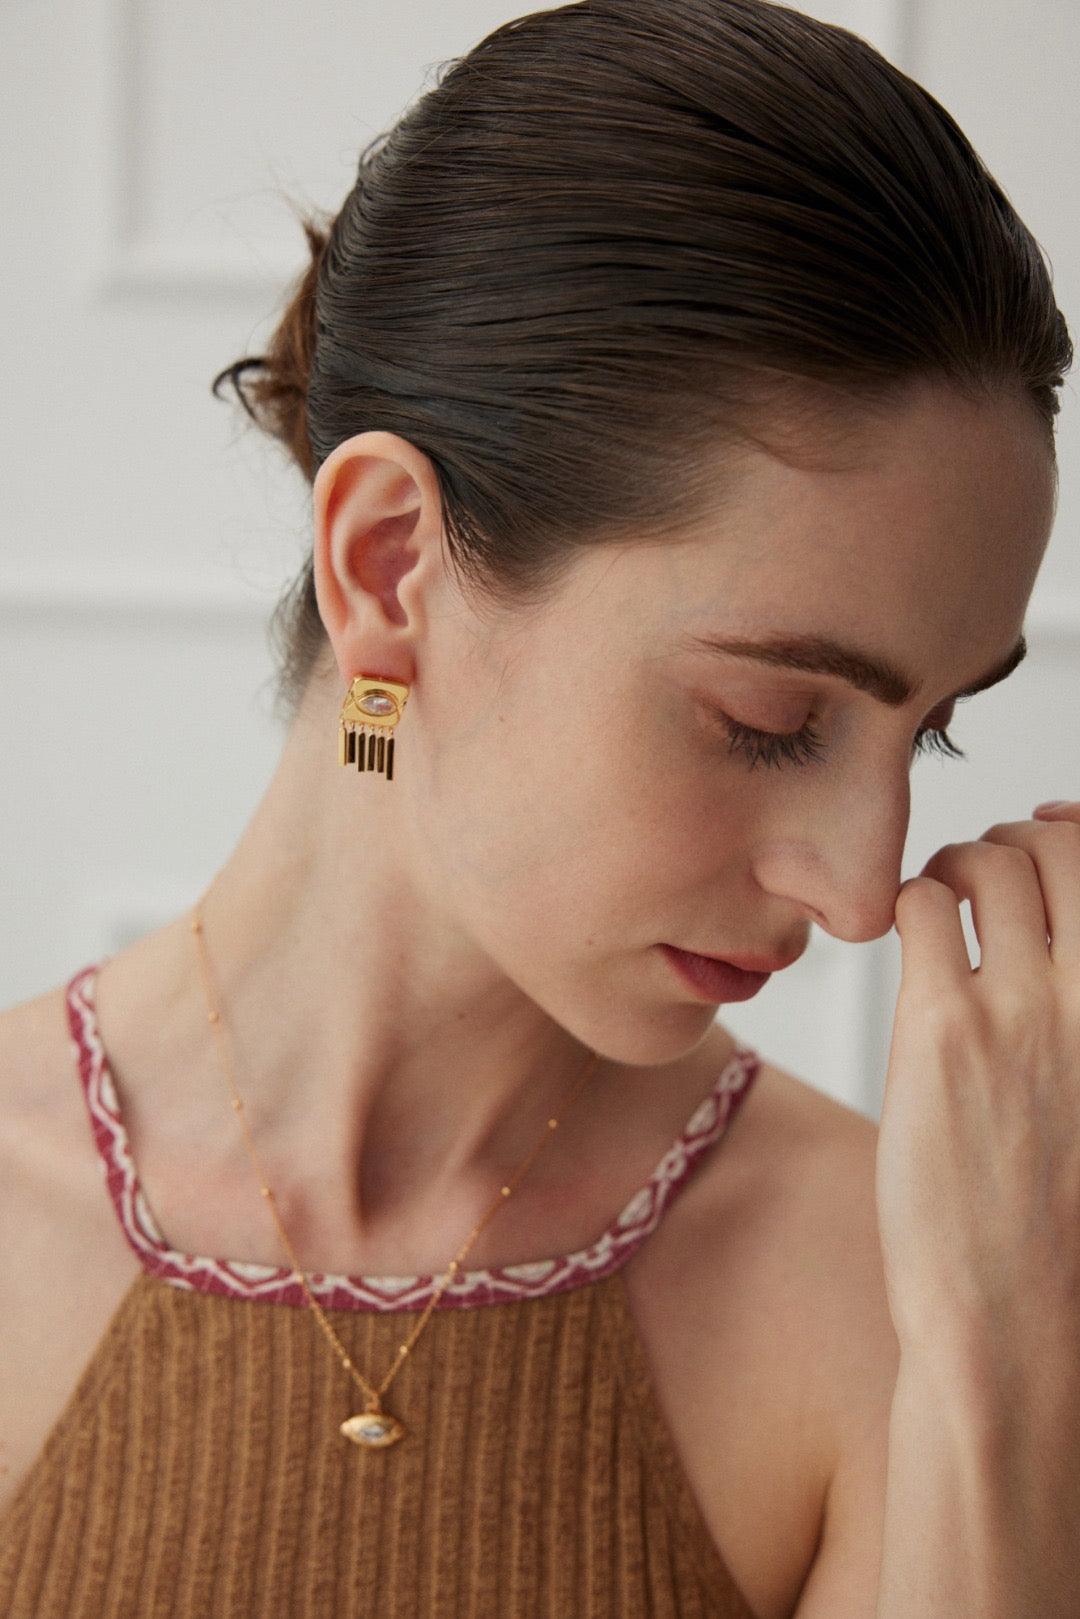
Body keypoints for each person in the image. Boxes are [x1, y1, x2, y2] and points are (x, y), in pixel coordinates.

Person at [0, 0, 1071, 1613]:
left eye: (928, 734)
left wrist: (1003, 1360)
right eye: (771, 719)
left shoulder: (908, 1292)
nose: (863, 894)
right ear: (387, 567)